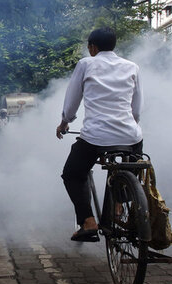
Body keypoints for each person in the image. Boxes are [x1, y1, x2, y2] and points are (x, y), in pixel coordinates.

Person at [56, 27, 143, 242]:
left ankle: (88, 222)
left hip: (95, 137)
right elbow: (137, 110)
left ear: (93, 47)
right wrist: (127, 125)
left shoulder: (86, 64)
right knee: (132, 166)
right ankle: (118, 207)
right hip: (130, 136)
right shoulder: (132, 67)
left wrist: (64, 122)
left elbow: (71, 103)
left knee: (72, 174)